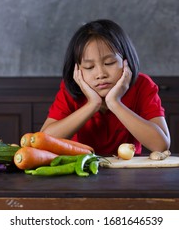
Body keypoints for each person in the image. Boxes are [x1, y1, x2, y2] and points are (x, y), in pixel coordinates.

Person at [41, 19, 170, 156]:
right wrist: (92, 104)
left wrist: (115, 103)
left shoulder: (142, 85)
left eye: (109, 63)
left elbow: (161, 145)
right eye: (89, 67)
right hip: (81, 170)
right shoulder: (71, 88)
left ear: (126, 61)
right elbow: (43, 142)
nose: (101, 74)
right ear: (77, 71)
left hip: (128, 170)